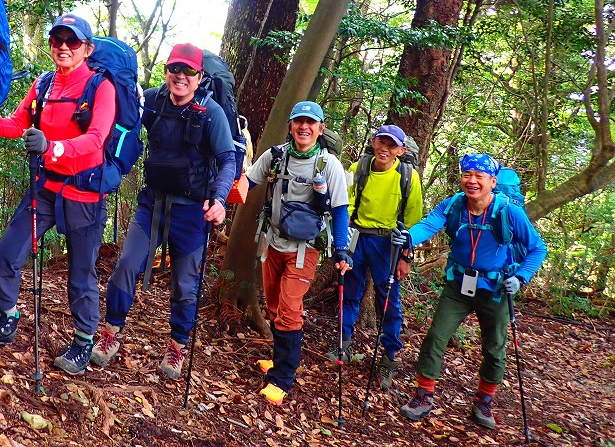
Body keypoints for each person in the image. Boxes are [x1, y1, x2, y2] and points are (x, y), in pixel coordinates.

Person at [0, 14, 115, 376]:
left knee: (80, 272)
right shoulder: (44, 84)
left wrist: (53, 146)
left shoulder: (101, 87)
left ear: (87, 49)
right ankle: (6, 318)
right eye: (56, 39)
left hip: (84, 192)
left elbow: (96, 139)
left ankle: (83, 341)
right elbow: (17, 125)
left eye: (72, 41)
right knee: (7, 252)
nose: (63, 46)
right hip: (46, 187)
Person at [90, 43, 235, 380]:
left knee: (185, 284)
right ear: (167, 71)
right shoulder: (153, 101)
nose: (180, 76)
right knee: (126, 264)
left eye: (188, 71)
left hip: (192, 211)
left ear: (199, 76)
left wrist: (219, 199)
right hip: (151, 203)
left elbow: (227, 159)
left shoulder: (211, 113)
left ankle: (177, 345)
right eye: (175, 69)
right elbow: (122, 121)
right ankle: (111, 332)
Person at [398, 154, 547, 430]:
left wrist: (521, 277)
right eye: (467, 174)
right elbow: (430, 224)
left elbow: (538, 248)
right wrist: (408, 237)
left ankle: (484, 401)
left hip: (495, 289)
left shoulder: (508, 212)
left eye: (479, 176)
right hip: (458, 284)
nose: (472, 181)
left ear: (493, 182)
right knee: (436, 337)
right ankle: (423, 395)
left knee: (495, 348)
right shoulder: (454, 204)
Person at [245, 101, 351, 406]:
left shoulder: (329, 165)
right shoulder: (276, 156)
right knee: (274, 305)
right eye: (299, 121)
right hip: (273, 241)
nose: (304, 127)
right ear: (291, 126)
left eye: (310, 122)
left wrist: (342, 249)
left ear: (320, 128)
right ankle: (279, 360)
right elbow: (248, 181)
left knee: (290, 308)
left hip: (305, 248)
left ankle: (282, 377)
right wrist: (218, 193)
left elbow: (340, 210)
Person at [326, 124, 422, 390]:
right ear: (373, 142)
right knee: (349, 292)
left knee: (389, 301)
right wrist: (342, 242)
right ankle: (343, 345)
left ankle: (389, 357)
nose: (385, 149)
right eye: (382, 142)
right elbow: (345, 205)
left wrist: (406, 256)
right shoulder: (360, 168)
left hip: (389, 243)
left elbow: (413, 220)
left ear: (401, 150)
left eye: (392, 145)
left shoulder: (408, 177)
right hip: (357, 237)